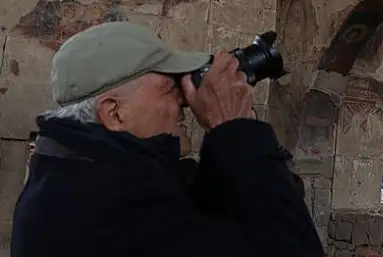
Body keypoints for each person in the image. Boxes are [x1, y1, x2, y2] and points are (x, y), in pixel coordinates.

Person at [11, 22, 324, 257]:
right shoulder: (115, 214)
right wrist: (236, 131)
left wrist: (224, 140)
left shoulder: (72, 174)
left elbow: (203, 218)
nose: (184, 101)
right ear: (114, 112)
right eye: (170, 88)